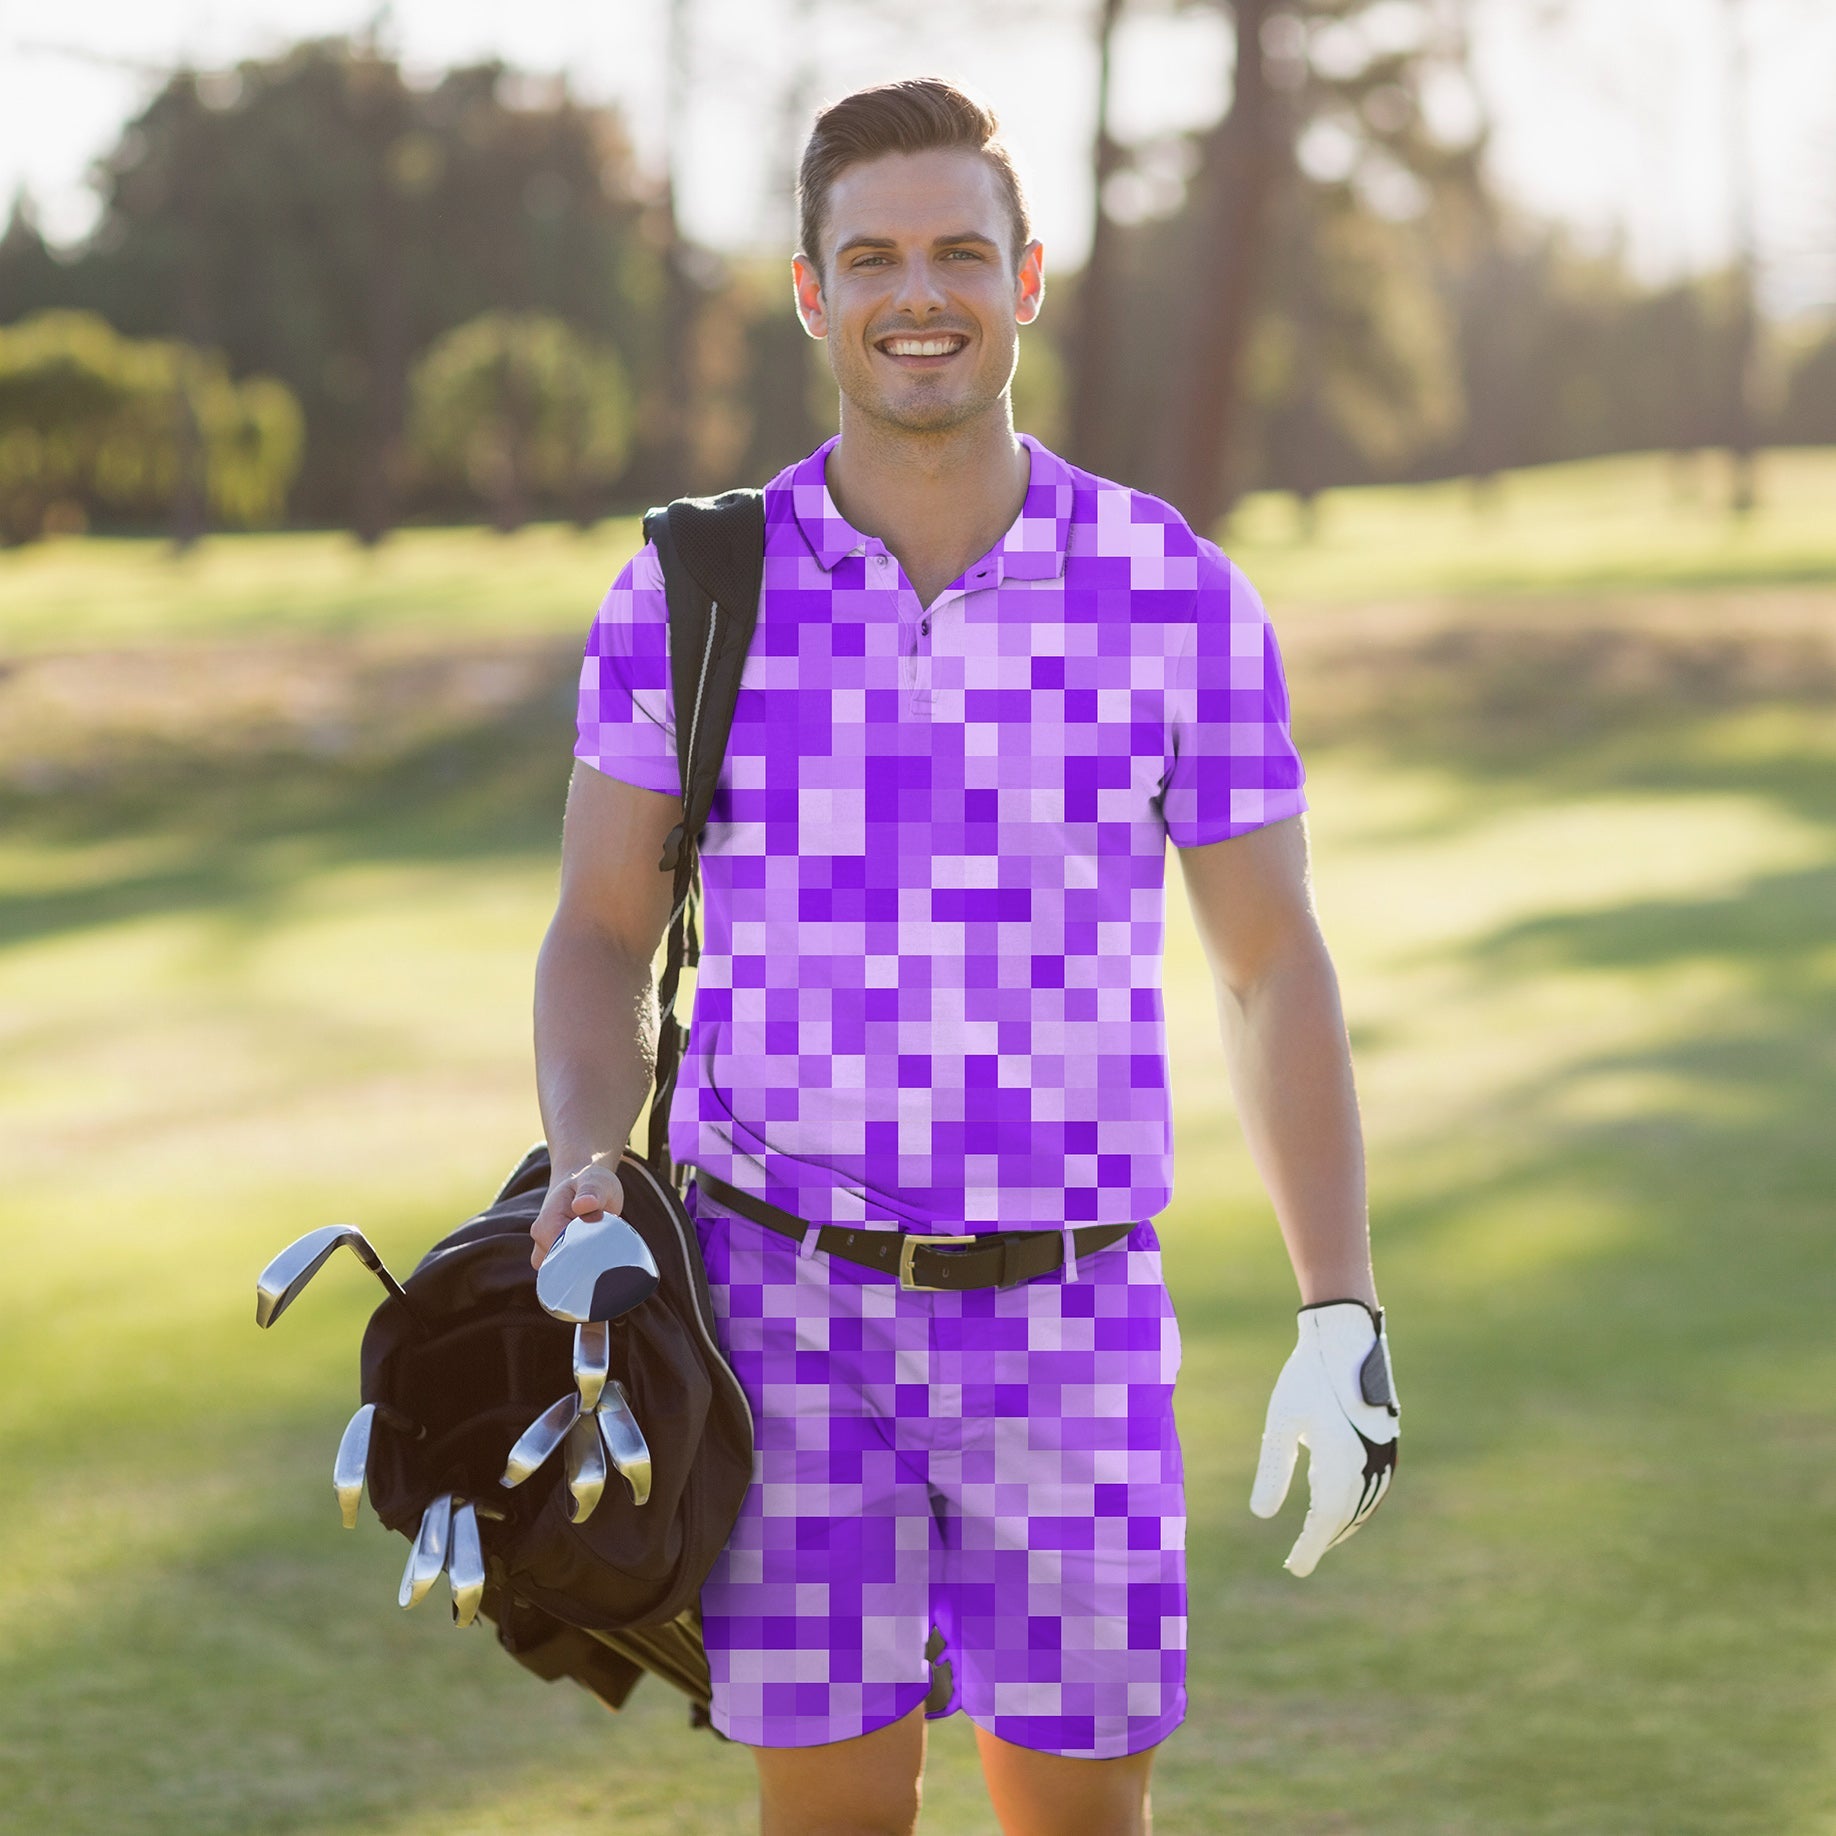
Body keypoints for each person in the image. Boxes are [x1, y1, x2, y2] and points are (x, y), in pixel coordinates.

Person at [530, 77, 1395, 1836]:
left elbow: (1268, 965)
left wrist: (1341, 1308)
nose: (917, 291)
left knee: (1079, 1816)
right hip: (778, 1314)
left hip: (1072, 1321)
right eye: (874, 257)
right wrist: (583, 1160)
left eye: (957, 253)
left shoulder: (1171, 590)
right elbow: (602, 929)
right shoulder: (699, 590)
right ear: (810, 291)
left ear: (1029, 277)